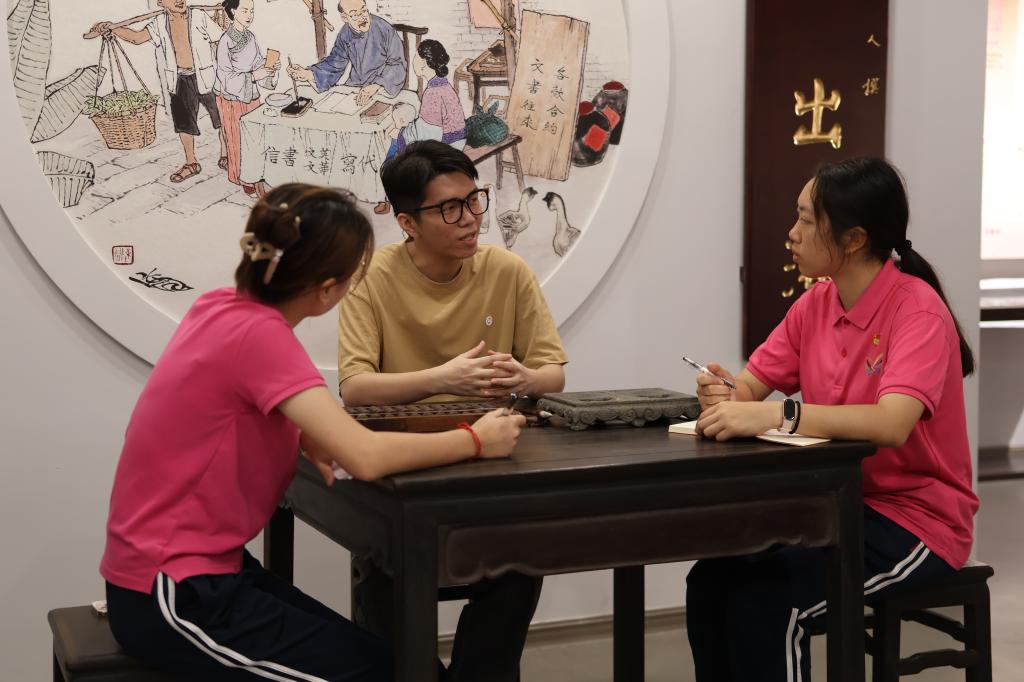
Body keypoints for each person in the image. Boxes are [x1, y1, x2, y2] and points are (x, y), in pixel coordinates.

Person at [100, 183, 525, 681]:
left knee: (408, 668)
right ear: (326, 290)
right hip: (174, 591)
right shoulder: (260, 335)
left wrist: (304, 434)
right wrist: (476, 440)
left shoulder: (221, 306)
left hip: (203, 571)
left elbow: (228, 406)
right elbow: (364, 455)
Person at [685, 157, 979, 681]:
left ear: (854, 239)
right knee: (711, 579)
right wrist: (723, 392)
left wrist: (780, 414)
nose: (791, 233)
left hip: (916, 521)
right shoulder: (816, 303)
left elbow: (891, 424)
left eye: (805, 219)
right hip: (839, 506)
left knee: (770, 602)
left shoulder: (917, 312)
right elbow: (750, 387)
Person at [338, 140, 568, 682]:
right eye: (449, 208)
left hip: (494, 461)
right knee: (386, 581)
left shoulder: (507, 270)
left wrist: (525, 378)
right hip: (404, 463)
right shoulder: (371, 276)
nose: (470, 218)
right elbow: (355, 388)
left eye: (473, 200)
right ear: (407, 223)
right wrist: (443, 378)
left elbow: (552, 373)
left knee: (517, 569)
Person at [90, 0, 228, 184]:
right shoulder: (159, 23)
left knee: (221, 118)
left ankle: (226, 155)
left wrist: (224, 18)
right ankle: (191, 162)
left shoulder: (199, 16)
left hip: (207, 76)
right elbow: (137, 38)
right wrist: (112, 28)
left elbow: (221, 39)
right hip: (179, 78)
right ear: (161, 2)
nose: (179, 0)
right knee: (183, 123)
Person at [374, 39, 467, 214]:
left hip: (446, 146)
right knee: (398, 137)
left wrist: (401, 133)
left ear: (424, 62)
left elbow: (429, 133)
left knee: (391, 154)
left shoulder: (433, 93)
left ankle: (389, 199)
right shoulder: (443, 85)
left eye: (416, 57)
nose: (414, 61)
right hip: (453, 139)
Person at [213, 0, 279, 196]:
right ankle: (244, 179)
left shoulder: (251, 37)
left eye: (252, 11)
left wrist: (269, 67)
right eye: (245, 10)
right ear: (233, 11)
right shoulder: (225, 41)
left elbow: (257, 61)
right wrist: (253, 76)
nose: (250, 15)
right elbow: (225, 76)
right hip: (231, 98)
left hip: (250, 95)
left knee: (254, 138)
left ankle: (256, 174)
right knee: (237, 139)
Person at [286, 0, 406, 106]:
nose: (362, 18)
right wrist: (308, 74)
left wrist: (376, 86)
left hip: (381, 90)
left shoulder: (384, 28)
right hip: (355, 88)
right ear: (344, 18)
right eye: (354, 15)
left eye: (364, 11)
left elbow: (398, 63)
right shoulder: (345, 33)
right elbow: (334, 64)